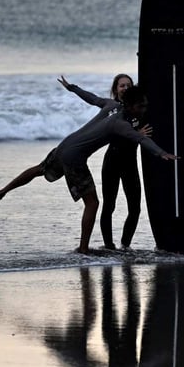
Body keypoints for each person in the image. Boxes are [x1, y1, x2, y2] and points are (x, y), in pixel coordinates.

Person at [0, 85, 178, 254]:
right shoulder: (120, 124)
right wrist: (160, 152)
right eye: (141, 107)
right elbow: (141, 139)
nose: (144, 110)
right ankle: (83, 249)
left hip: (65, 145)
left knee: (40, 169)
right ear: (130, 106)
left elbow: (93, 99)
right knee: (93, 203)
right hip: (75, 159)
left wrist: (73, 88)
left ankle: (1, 192)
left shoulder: (110, 104)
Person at [59, 74, 149, 249]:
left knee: (135, 208)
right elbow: (92, 98)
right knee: (109, 206)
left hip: (130, 163)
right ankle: (109, 246)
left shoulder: (139, 109)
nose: (125, 88)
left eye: (128, 85)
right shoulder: (113, 108)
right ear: (115, 89)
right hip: (112, 162)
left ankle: (125, 246)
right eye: (121, 85)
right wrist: (73, 88)